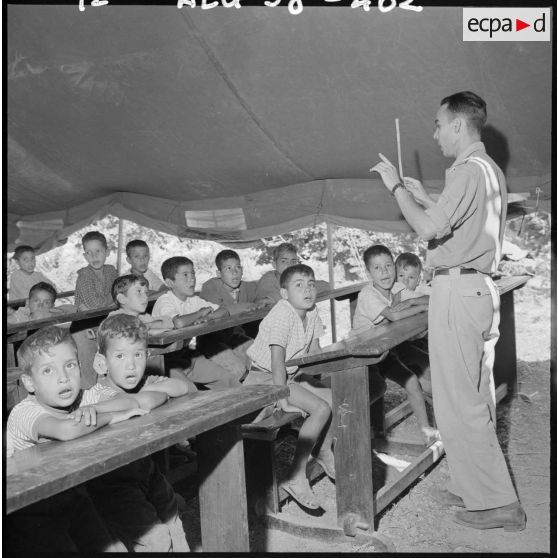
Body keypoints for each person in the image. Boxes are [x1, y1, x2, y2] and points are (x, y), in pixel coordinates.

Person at [371, 90, 525, 530]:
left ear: (458, 124)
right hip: (480, 290)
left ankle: (497, 503)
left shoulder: (464, 170)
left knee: (460, 402)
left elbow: (430, 231)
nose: (435, 133)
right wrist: (425, 196)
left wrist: (398, 189)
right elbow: (457, 222)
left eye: (439, 124)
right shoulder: (488, 169)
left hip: (458, 291)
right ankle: (476, 486)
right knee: (473, 396)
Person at [6, 326, 144, 552]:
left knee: (114, 549)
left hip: (73, 495)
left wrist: (103, 409)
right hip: (30, 510)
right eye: (48, 371)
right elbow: (67, 430)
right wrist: (111, 417)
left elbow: (130, 402)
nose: (63, 378)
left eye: (69, 366)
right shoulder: (24, 412)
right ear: (29, 383)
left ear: (80, 368)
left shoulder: (82, 398)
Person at [87, 314, 190, 552]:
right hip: (112, 483)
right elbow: (139, 403)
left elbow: (183, 386)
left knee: (174, 523)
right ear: (102, 363)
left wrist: (148, 392)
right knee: (156, 540)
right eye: (120, 356)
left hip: (146, 471)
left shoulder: (142, 382)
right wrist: (145, 397)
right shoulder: (96, 396)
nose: (131, 365)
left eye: (138, 355)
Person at [246, 264, 335, 511]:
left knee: (337, 397)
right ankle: (296, 476)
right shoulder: (282, 314)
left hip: (290, 375)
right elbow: (276, 362)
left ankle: (324, 450)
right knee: (320, 409)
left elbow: (315, 353)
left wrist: (329, 374)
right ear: (284, 293)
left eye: (311, 284)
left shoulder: (312, 311)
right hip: (265, 380)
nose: (307, 290)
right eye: (299, 285)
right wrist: (282, 398)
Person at [351, 244, 437, 444]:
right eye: (377, 268)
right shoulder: (368, 294)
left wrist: (415, 302)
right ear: (368, 272)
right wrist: (415, 307)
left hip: (384, 350)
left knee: (412, 381)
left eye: (388, 266)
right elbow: (394, 314)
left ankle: (426, 430)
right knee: (374, 390)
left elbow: (430, 298)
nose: (385, 272)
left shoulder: (396, 288)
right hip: (360, 357)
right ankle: (364, 435)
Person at [152, 256, 240, 389]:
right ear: (170, 283)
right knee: (189, 392)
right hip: (165, 362)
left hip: (189, 356)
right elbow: (178, 323)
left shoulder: (193, 300)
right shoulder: (165, 301)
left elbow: (224, 310)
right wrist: (200, 313)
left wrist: (209, 317)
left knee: (227, 380)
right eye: (185, 275)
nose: (192, 278)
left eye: (193, 273)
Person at [200, 249, 262, 379]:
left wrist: (263, 301)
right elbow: (221, 310)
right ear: (218, 273)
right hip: (212, 342)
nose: (235, 273)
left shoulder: (247, 287)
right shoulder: (210, 286)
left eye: (238, 267)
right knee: (238, 369)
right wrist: (247, 306)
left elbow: (263, 298)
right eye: (228, 268)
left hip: (235, 337)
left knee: (261, 357)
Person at [255, 242, 330, 304]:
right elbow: (267, 298)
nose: (289, 265)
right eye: (284, 261)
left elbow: (325, 285)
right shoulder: (268, 278)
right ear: (274, 264)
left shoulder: (298, 277)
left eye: (293, 261)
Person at [109, 274, 174, 332]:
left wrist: (149, 325)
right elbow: (128, 332)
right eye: (139, 291)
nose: (146, 297)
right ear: (122, 299)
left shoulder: (143, 317)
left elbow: (170, 322)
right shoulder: (115, 318)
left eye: (146, 292)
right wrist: (150, 331)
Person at [74, 231, 118, 310]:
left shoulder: (111, 270)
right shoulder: (84, 276)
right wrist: (112, 298)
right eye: (88, 252)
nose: (94, 256)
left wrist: (115, 297)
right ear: (85, 256)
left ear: (107, 252)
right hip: (87, 319)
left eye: (98, 251)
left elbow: (120, 290)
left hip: (108, 314)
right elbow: (95, 305)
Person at [7, 282, 73, 323]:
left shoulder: (55, 318)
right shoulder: (21, 316)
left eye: (46, 302)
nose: (40, 305)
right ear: (28, 303)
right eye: (36, 301)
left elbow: (71, 308)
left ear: (52, 306)